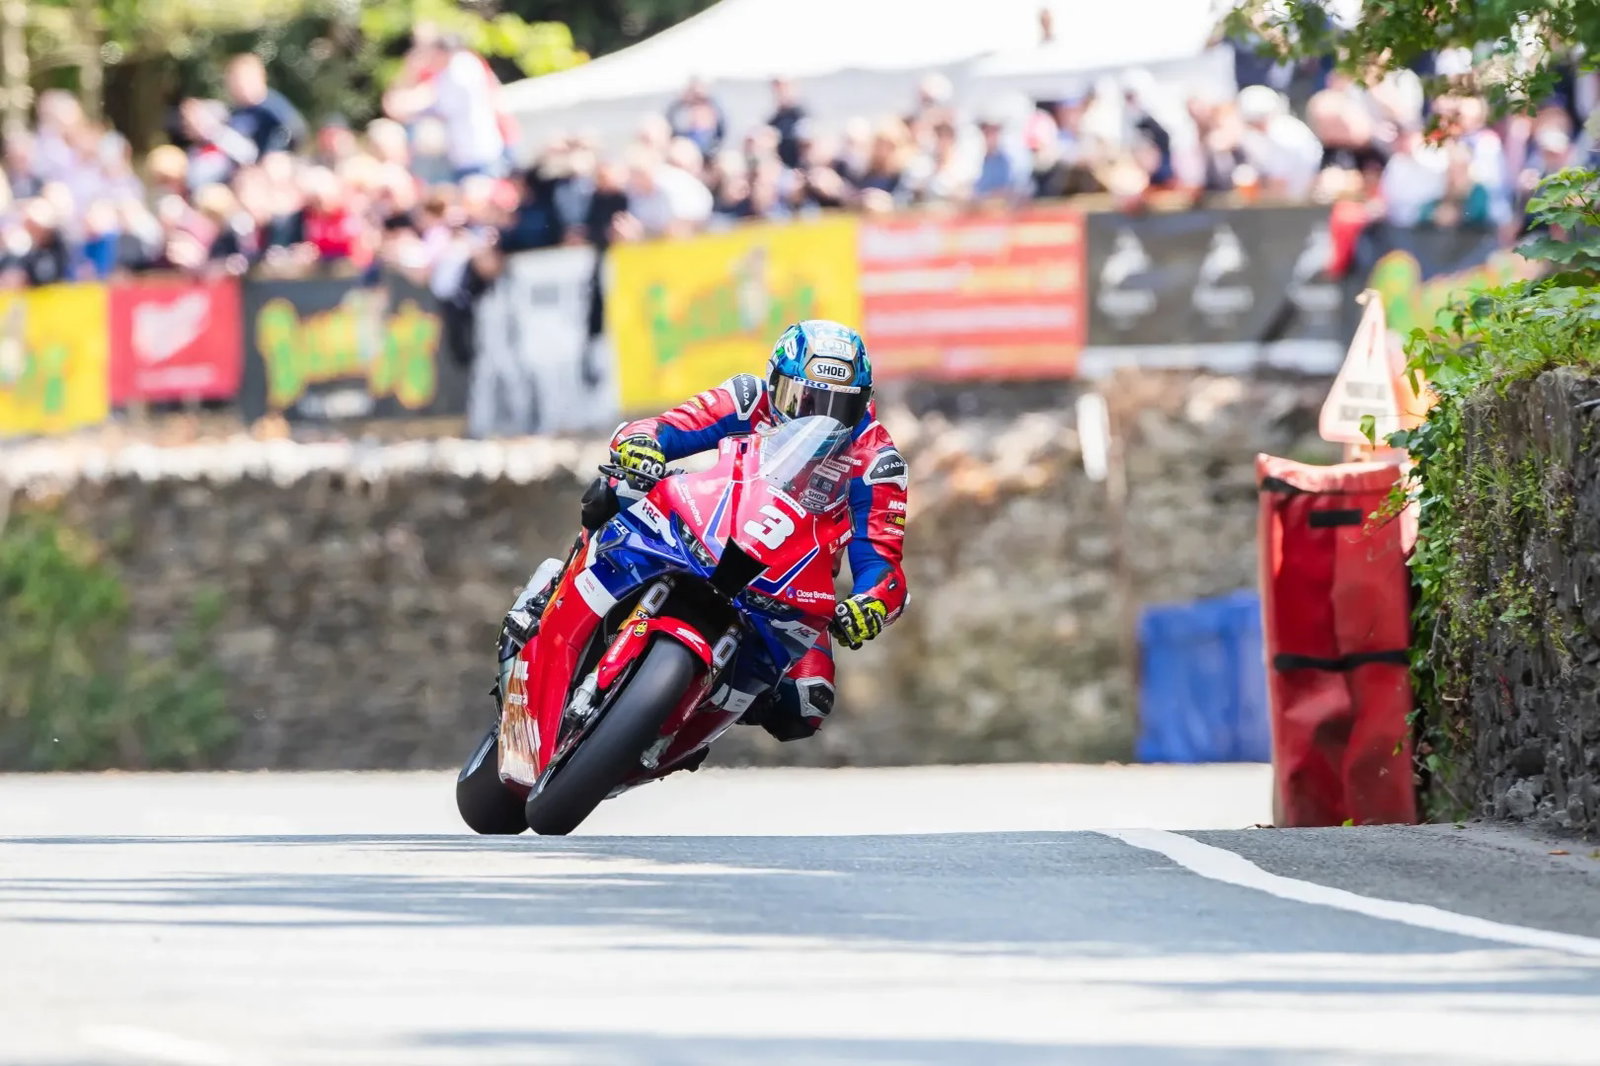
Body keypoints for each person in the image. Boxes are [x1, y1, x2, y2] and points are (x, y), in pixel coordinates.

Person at [500, 319, 910, 745]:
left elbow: (883, 565)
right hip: (710, 523)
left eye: (838, 407)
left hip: (789, 581)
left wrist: (869, 604)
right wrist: (642, 445)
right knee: (620, 487)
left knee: (806, 704)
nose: (818, 418)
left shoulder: (877, 461)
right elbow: (663, 428)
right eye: (804, 400)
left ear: (863, 403)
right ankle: (552, 593)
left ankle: (682, 729)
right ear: (775, 384)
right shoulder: (748, 398)